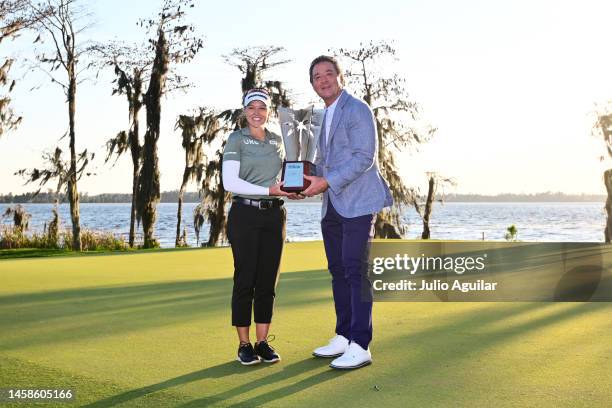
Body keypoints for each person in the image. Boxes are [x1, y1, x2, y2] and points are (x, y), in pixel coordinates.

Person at [302, 55, 393, 370]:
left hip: (357, 202)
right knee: (338, 270)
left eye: (329, 73)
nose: (323, 80)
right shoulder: (320, 116)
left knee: (356, 270)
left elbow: (363, 157)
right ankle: (343, 336)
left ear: (340, 77)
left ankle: (361, 344)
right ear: (312, 83)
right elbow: (322, 162)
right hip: (332, 204)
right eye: (317, 76)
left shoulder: (357, 109)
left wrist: (325, 181)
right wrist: (300, 181)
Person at [222, 88, 292, 365]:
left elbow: (288, 175)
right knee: (245, 279)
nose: (256, 113)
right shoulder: (236, 139)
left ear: (268, 111)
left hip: (275, 217)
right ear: (244, 110)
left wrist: (294, 189)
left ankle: (262, 342)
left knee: (268, 281)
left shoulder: (277, 141)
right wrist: (270, 190)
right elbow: (231, 182)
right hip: (245, 215)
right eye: (251, 107)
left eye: (262, 108)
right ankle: (244, 344)